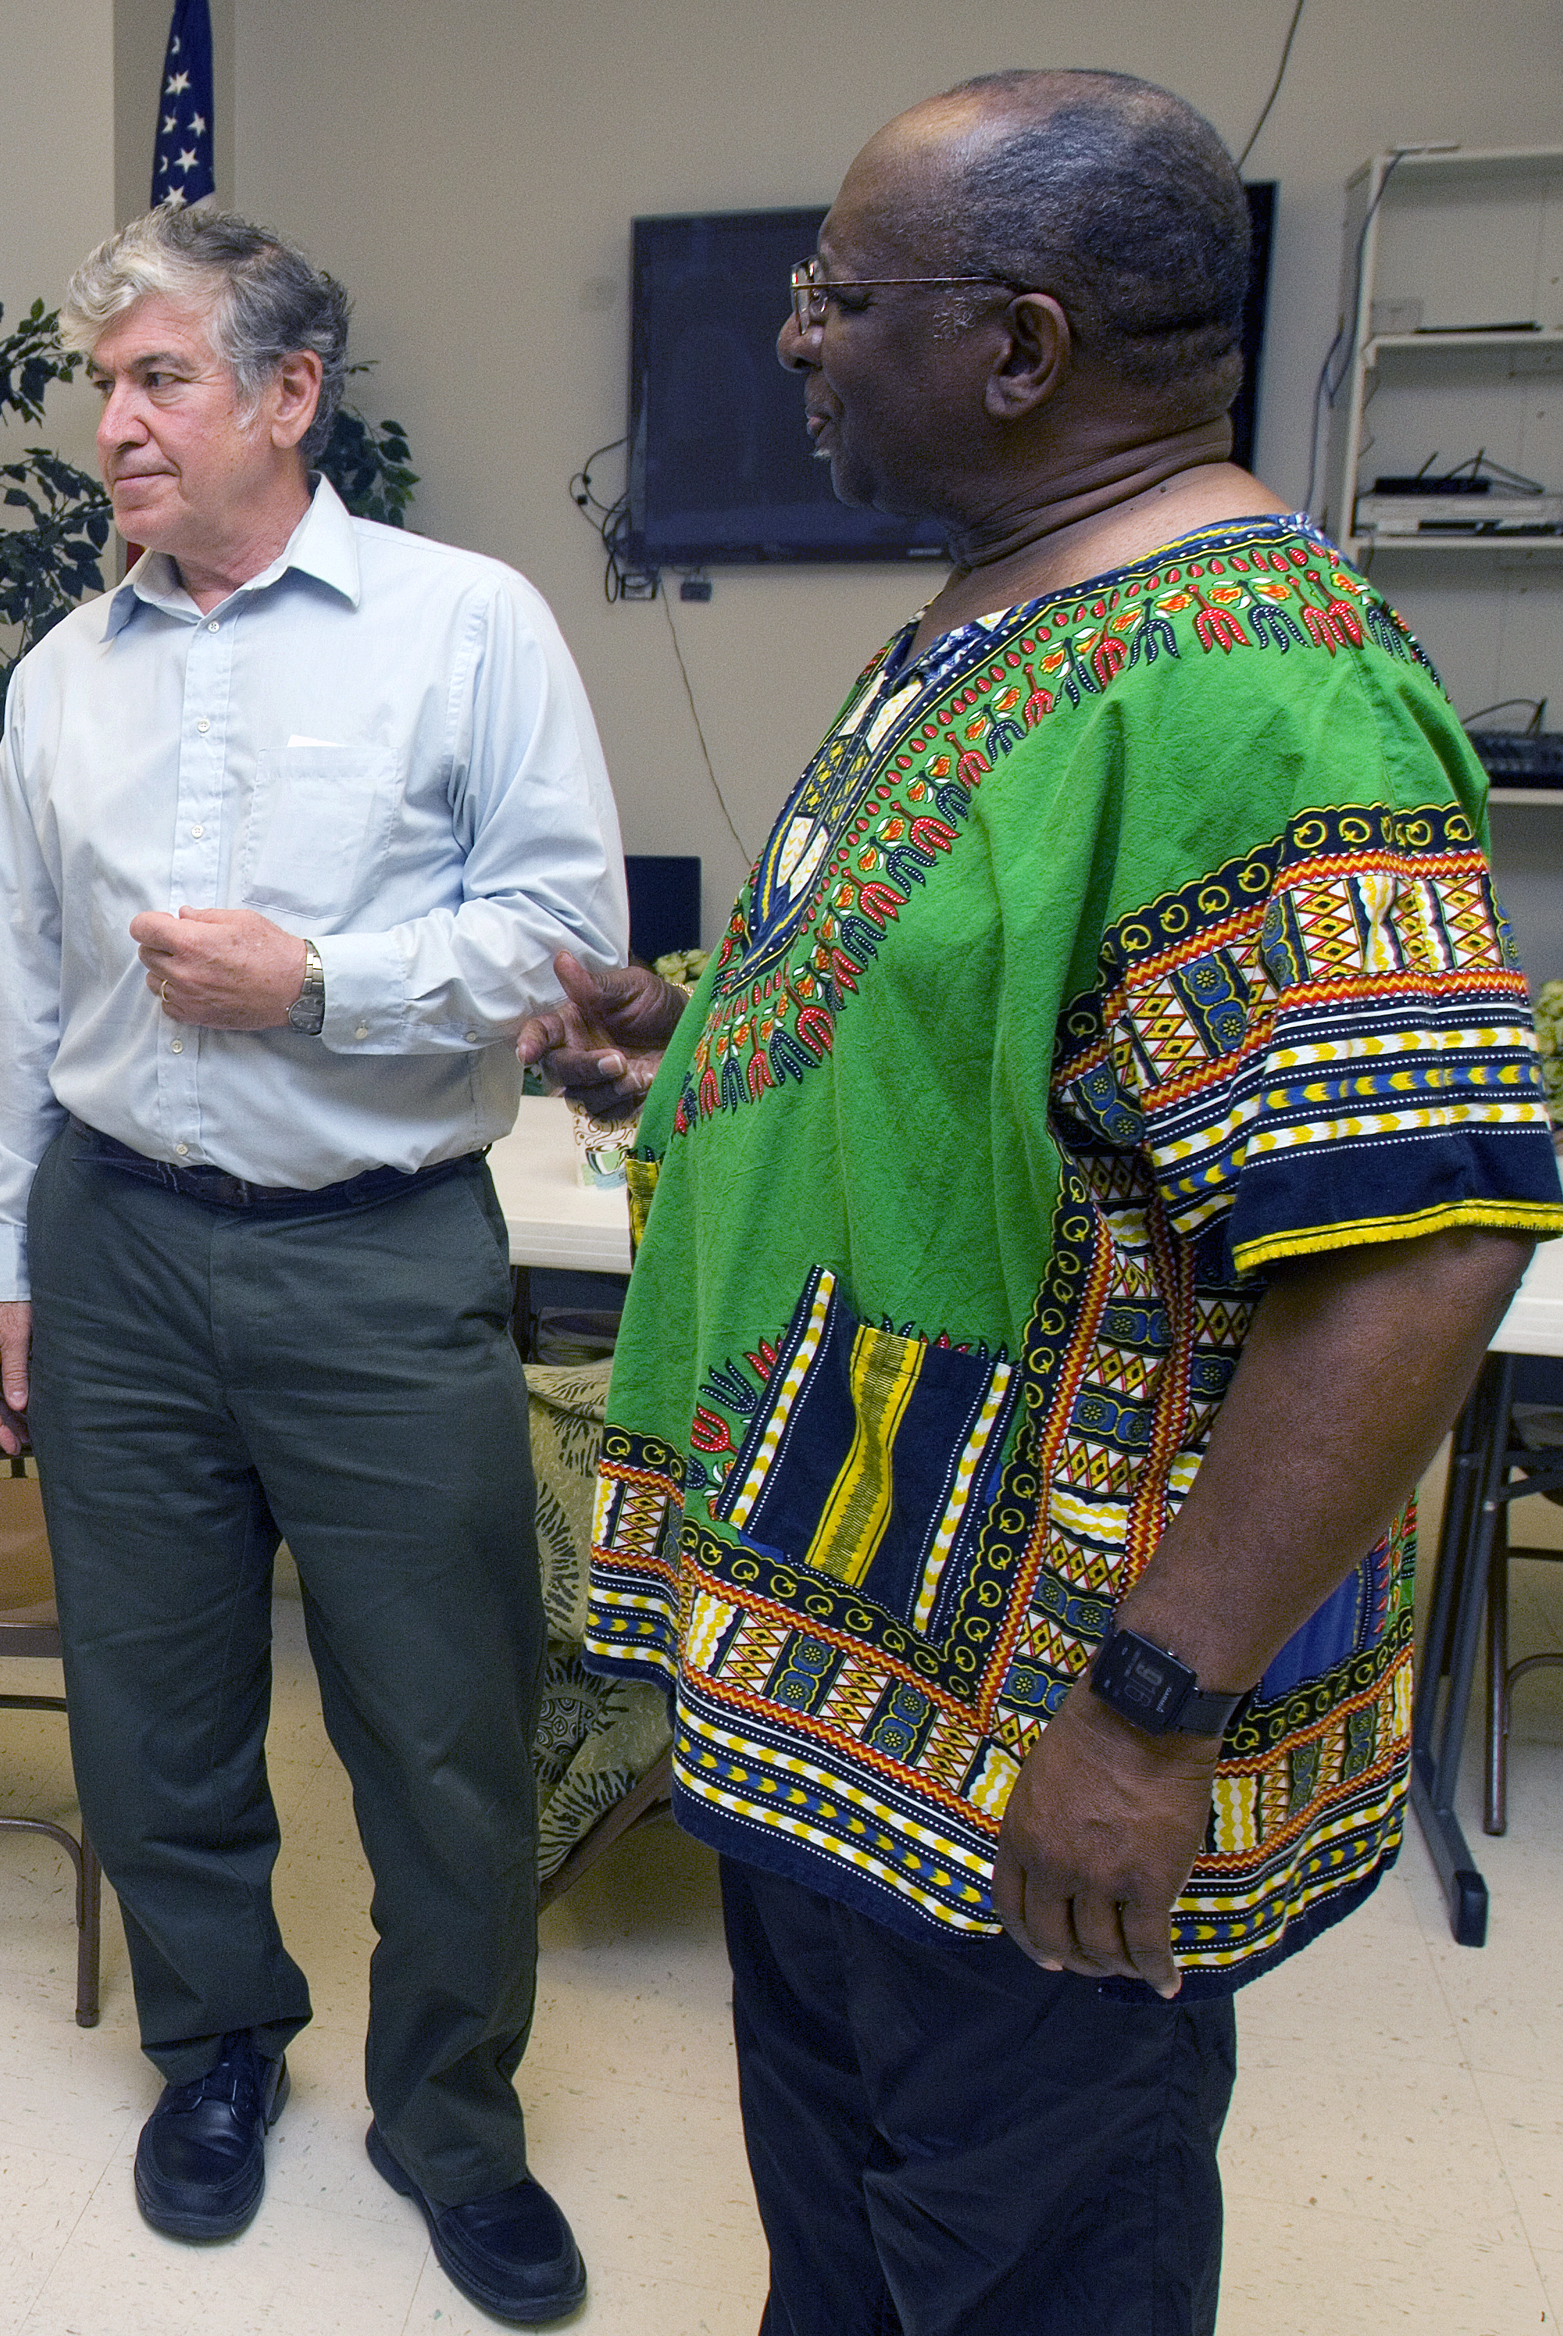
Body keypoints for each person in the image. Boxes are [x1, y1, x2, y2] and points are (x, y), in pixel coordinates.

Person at [538, 73, 1563, 2336]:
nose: (794, 340)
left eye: (836, 297)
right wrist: (703, 1024)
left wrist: (1143, 1720)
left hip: (1027, 1741)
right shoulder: (1007, 615)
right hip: (831, 1669)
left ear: (1016, 350)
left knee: (1025, 2272)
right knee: (846, 2237)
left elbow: (1417, 1249)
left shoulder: (1259, 689)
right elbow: (997, 1010)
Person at [0, 204, 622, 2326]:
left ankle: (448, 2117)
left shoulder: (464, 625)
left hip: (376, 1251)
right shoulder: (62, 673)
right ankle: (214, 2049)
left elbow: (556, 938)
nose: (113, 424)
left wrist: (314, 980)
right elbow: (5, 990)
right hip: (116, 1246)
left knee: (439, 1722)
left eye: (157, 378)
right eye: (103, 387)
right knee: (154, 1704)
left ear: (286, 395)